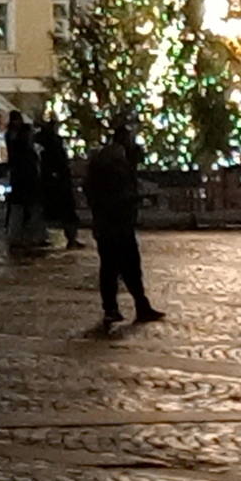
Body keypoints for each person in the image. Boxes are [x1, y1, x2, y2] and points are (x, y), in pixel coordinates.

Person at [83, 117, 164, 328]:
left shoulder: (101, 162)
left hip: (105, 224)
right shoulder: (116, 165)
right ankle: (133, 305)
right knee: (127, 265)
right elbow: (120, 194)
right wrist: (137, 199)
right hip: (117, 223)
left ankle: (117, 307)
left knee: (111, 266)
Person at [37, 117, 82, 249]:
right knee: (67, 213)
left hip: (53, 180)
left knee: (57, 212)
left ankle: (69, 238)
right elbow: (60, 162)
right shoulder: (53, 145)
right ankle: (71, 239)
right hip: (58, 181)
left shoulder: (44, 145)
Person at [3, 110, 44, 254]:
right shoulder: (22, 146)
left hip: (19, 176)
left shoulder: (11, 137)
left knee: (20, 207)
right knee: (26, 207)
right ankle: (27, 236)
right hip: (25, 177)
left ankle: (19, 236)